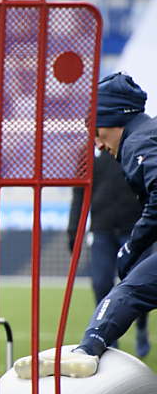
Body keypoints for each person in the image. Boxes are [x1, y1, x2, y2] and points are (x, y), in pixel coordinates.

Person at [16, 73, 157, 380]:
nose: (94, 140)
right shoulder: (146, 134)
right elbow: (80, 197)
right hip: (104, 230)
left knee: (127, 291)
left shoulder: (137, 142)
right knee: (118, 288)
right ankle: (92, 350)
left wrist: (134, 244)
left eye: (95, 128)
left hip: (124, 233)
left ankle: (88, 351)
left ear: (113, 119)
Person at [68, 147, 150, 357]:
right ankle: (109, 340)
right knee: (101, 283)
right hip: (102, 230)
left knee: (140, 286)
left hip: (135, 231)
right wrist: (73, 231)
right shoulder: (86, 154)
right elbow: (79, 193)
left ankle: (141, 326)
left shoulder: (137, 148)